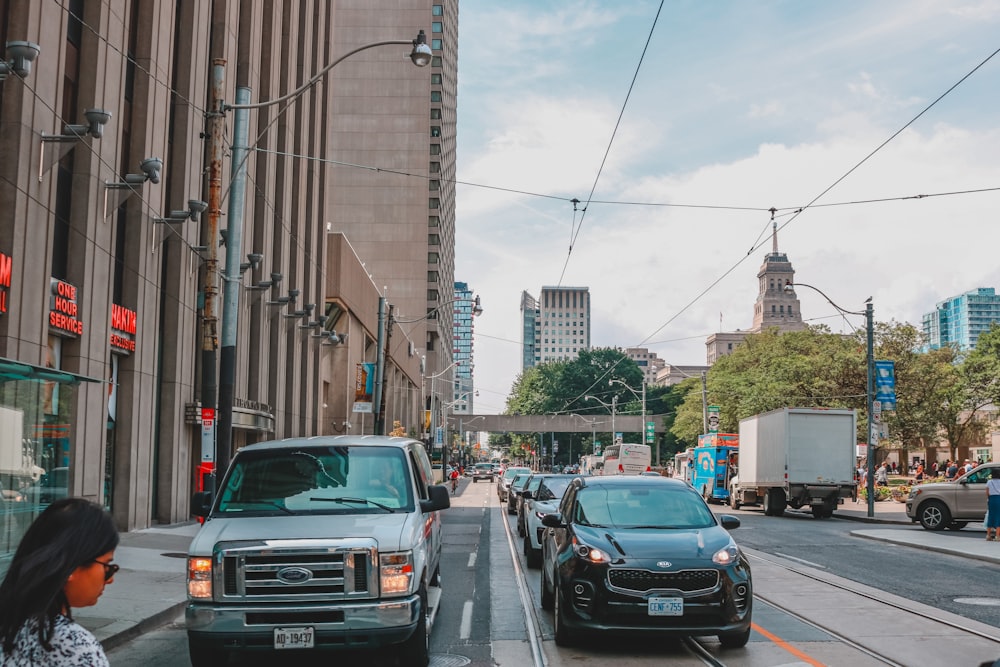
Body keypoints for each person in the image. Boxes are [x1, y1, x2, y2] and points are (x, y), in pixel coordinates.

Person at [0, 498, 119, 666]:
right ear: (72, 567)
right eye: (107, 566)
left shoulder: (12, 624)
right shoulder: (76, 647)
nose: (110, 579)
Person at [986, 467, 1000, 542]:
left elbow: (987, 492)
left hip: (991, 499)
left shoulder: (989, 482)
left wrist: (989, 499)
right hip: (999, 499)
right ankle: (997, 536)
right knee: (999, 517)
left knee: (991, 516)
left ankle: (988, 535)